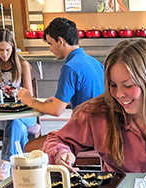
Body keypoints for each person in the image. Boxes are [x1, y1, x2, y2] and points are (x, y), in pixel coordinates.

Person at [43, 39, 146, 173]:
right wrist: (61, 153)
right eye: (112, 85)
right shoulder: (98, 111)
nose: (119, 94)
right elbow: (57, 139)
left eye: (128, 85)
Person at [18, 17, 105, 151]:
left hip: (86, 135)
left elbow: (56, 110)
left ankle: (57, 171)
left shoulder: (70, 67)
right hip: (102, 131)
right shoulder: (94, 62)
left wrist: (30, 101)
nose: (51, 49)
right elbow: (94, 96)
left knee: (29, 148)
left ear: (60, 40)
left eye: (50, 44)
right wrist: (66, 102)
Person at [0, 28, 36, 180]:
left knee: (16, 121)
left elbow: (29, 94)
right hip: (3, 113)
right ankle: (24, 166)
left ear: (13, 48)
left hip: (24, 112)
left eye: (7, 50)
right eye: (0, 50)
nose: (4, 54)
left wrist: (16, 92)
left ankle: (6, 161)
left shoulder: (22, 64)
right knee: (17, 125)